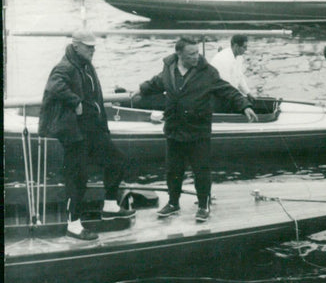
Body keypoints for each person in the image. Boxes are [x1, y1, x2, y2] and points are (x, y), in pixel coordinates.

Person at [135, 37, 258, 222]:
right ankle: (173, 203)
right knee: (173, 170)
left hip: (197, 129)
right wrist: (141, 90)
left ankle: (203, 205)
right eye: (191, 54)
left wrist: (245, 105)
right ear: (179, 54)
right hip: (174, 128)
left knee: (201, 170)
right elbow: (157, 82)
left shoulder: (207, 72)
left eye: (197, 53)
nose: (196, 57)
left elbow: (227, 90)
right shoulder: (169, 68)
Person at [38, 30, 134, 241]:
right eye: (89, 47)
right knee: (77, 178)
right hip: (75, 133)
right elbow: (54, 86)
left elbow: (96, 97)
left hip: (92, 130)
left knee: (117, 160)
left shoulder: (85, 65)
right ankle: (73, 225)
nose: (93, 50)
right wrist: (76, 102)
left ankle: (109, 205)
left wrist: (102, 125)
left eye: (94, 47)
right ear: (76, 46)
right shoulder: (65, 66)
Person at [210, 34, 255, 101]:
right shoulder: (224, 59)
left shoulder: (239, 57)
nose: (246, 49)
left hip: (229, 94)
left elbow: (239, 77)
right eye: (244, 47)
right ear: (236, 46)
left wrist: (248, 93)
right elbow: (226, 84)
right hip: (218, 96)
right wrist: (239, 100)